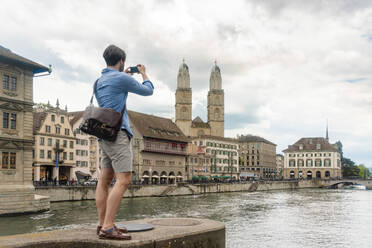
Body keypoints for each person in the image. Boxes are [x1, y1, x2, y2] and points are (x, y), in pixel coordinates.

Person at [95, 45, 154, 240]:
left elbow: (113, 97)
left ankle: (102, 223)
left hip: (103, 135)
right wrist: (144, 74)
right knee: (124, 179)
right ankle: (109, 227)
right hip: (118, 134)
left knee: (104, 180)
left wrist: (125, 76)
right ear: (121, 61)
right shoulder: (121, 78)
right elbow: (148, 91)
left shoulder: (98, 81)